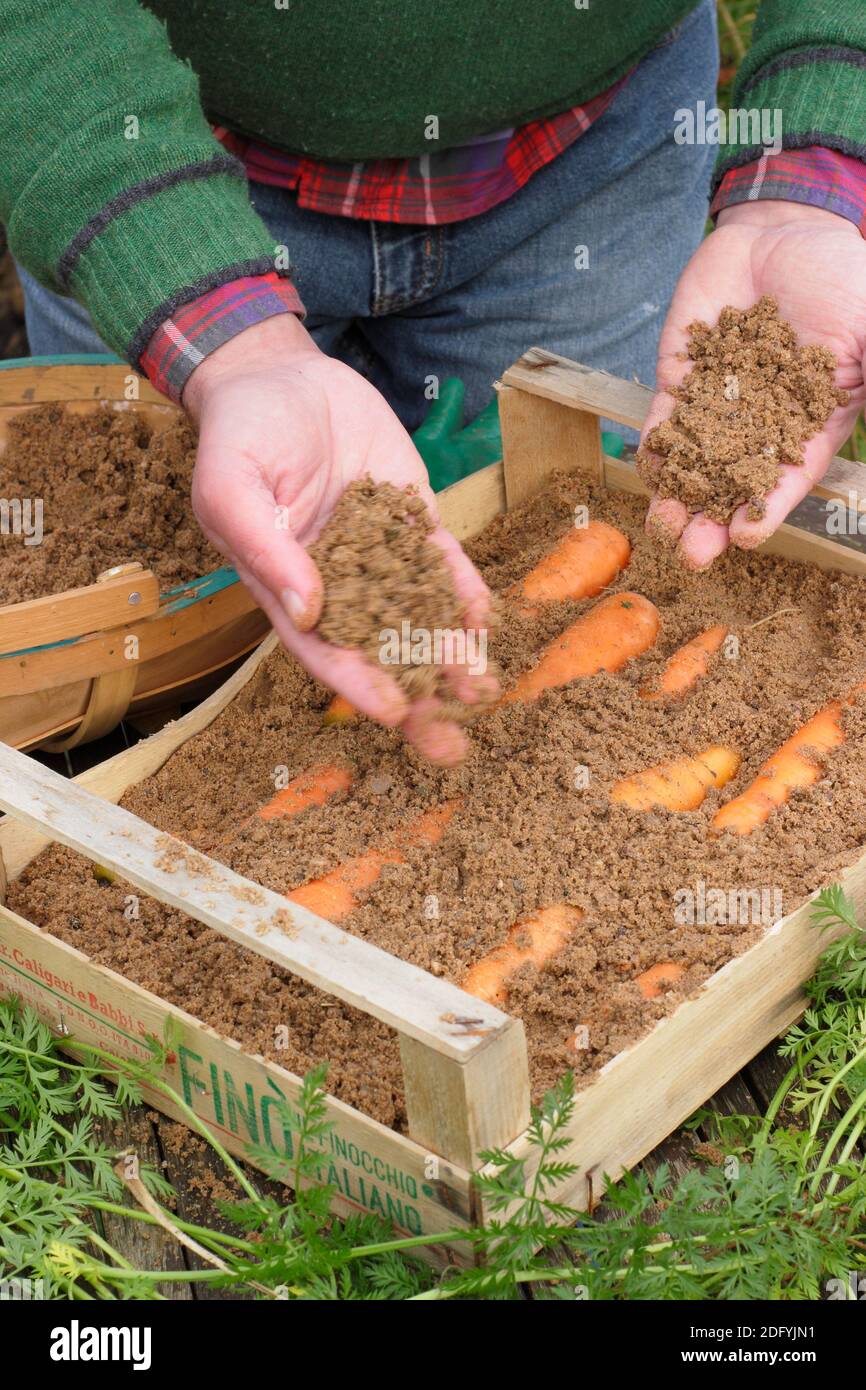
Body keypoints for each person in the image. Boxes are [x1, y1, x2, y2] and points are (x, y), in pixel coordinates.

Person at [2, 1, 865, 764]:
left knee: (577, 523)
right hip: (146, 157)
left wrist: (815, 181)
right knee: (142, 663)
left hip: (589, 158)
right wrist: (230, 342)